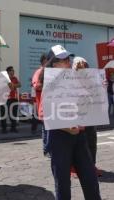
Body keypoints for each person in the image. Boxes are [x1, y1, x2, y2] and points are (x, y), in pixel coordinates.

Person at [41, 45, 101, 200]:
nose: (69, 62)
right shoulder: (50, 84)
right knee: (62, 182)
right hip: (59, 137)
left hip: (79, 135)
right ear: (54, 64)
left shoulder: (74, 79)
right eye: (64, 60)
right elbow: (46, 114)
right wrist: (67, 127)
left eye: (68, 58)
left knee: (90, 177)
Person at [70, 56, 103, 178]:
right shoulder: (70, 81)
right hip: (76, 118)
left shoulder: (92, 81)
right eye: (80, 67)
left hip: (90, 117)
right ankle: (74, 167)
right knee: (76, 143)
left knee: (91, 142)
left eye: (85, 66)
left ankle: (91, 165)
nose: (83, 68)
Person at [1, 66, 21, 133]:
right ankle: (4, 129)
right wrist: (13, 85)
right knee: (4, 114)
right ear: (8, 72)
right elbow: (8, 87)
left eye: (13, 70)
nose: (13, 72)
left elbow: (19, 85)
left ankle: (13, 128)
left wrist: (13, 85)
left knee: (14, 114)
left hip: (14, 98)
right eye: (12, 70)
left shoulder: (15, 78)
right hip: (5, 99)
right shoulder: (4, 79)